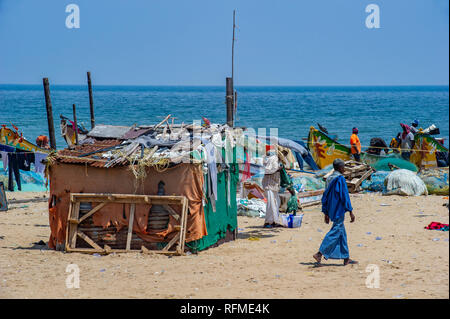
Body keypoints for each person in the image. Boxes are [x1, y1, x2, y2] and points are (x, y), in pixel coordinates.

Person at [313, 159, 357, 266]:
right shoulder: (340, 179)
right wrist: (350, 211)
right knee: (336, 230)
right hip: (339, 209)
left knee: (342, 233)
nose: (344, 169)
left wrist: (326, 212)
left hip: (331, 209)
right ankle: (320, 253)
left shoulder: (329, 178)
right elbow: (344, 196)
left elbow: (325, 196)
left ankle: (346, 258)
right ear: (340, 168)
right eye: (343, 167)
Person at [262, 151, 282, 228]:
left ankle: (274, 221)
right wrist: (277, 169)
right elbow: (267, 171)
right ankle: (268, 222)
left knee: (276, 203)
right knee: (271, 204)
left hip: (274, 185)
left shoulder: (278, 160)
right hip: (269, 185)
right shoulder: (273, 159)